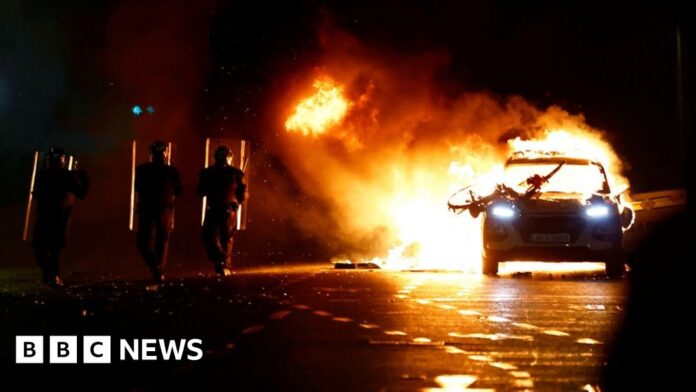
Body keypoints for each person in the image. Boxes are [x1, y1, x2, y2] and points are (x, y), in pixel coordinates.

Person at [31, 147, 89, 287]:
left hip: (57, 216)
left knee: (51, 247)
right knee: (43, 246)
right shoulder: (47, 175)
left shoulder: (63, 175)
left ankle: (52, 276)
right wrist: (82, 179)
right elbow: (37, 194)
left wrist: (81, 179)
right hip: (49, 215)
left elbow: (80, 193)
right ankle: (50, 274)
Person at [134, 141, 182, 282]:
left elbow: (138, 187)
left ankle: (156, 269)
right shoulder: (172, 171)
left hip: (147, 209)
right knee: (162, 241)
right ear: (165, 153)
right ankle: (158, 270)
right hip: (165, 210)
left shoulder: (142, 170)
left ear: (151, 154)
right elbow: (179, 190)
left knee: (143, 242)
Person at [197, 145, 247, 276]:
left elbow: (200, 191)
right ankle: (224, 264)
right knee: (226, 237)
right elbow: (243, 193)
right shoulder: (236, 173)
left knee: (211, 236)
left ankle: (222, 264)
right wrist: (237, 202)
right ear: (229, 157)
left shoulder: (208, 172)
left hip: (215, 208)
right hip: (228, 210)